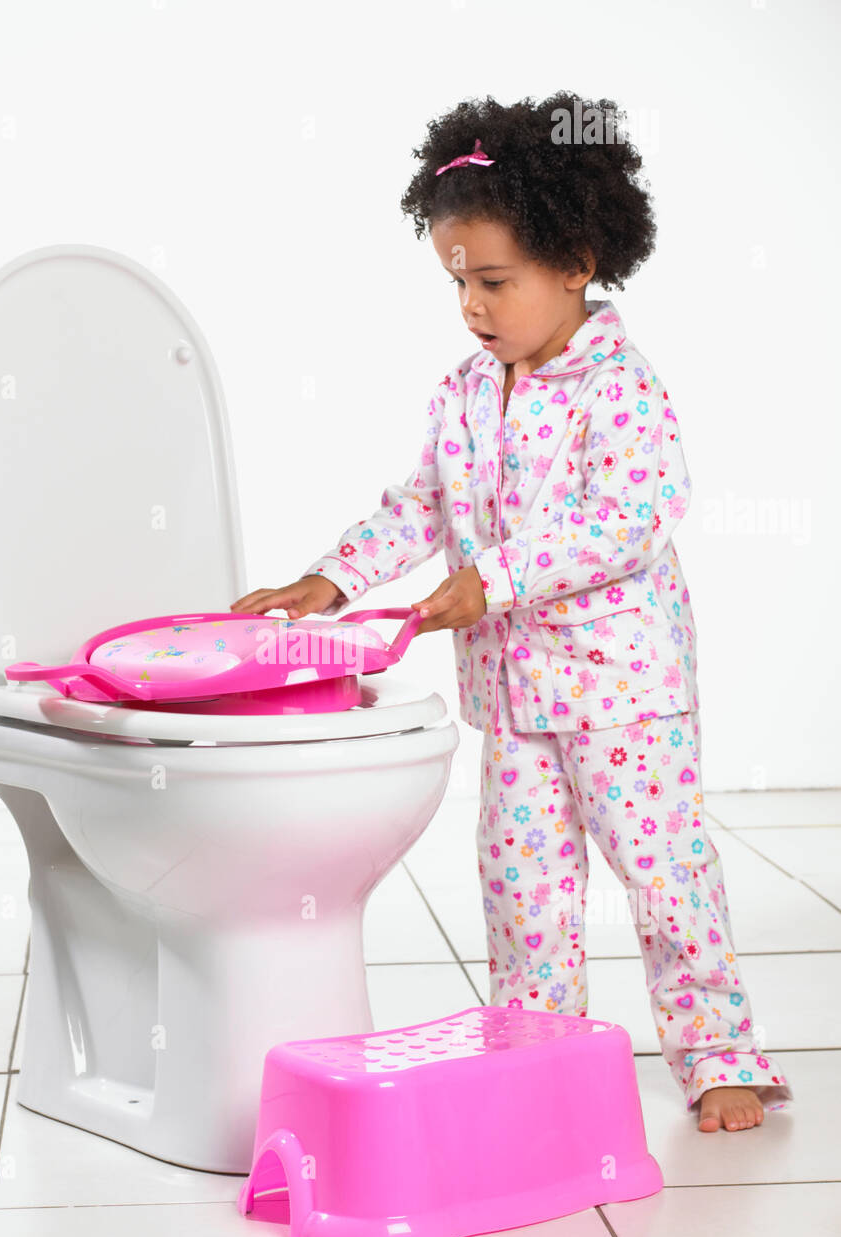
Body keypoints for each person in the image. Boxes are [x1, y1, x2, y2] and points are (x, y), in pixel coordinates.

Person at [231, 92, 793, 1133]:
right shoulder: (461, 392)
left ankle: (720, 1053)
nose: (473, 307)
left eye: (494, 281)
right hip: (516, 700)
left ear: (577, 261)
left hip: (624, 690)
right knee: (523, 889)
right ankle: (542, 1064)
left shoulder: (620, 388)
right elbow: (423, 505)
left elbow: (632, 513)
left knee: (664, 875)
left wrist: (496, 578)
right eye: (458, 283)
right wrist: (335, 578)